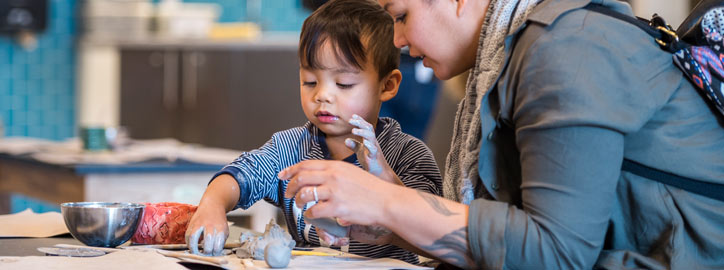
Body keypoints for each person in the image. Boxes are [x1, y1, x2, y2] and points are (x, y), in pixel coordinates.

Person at [280, 0, 724, 269]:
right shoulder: (526, 48)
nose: (396, 39)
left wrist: (388, 202)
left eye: (401, 16)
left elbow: (557, 253)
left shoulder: (565, 49)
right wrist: (388, 223)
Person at [184, 0, 442, 264]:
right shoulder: (292, 148)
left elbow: (430, 232)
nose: (322, 95)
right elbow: (244, 174)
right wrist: (213, 205)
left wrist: (387, 182)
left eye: (343, 84)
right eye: (310, 81)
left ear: (387, 85)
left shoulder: (409, 156)